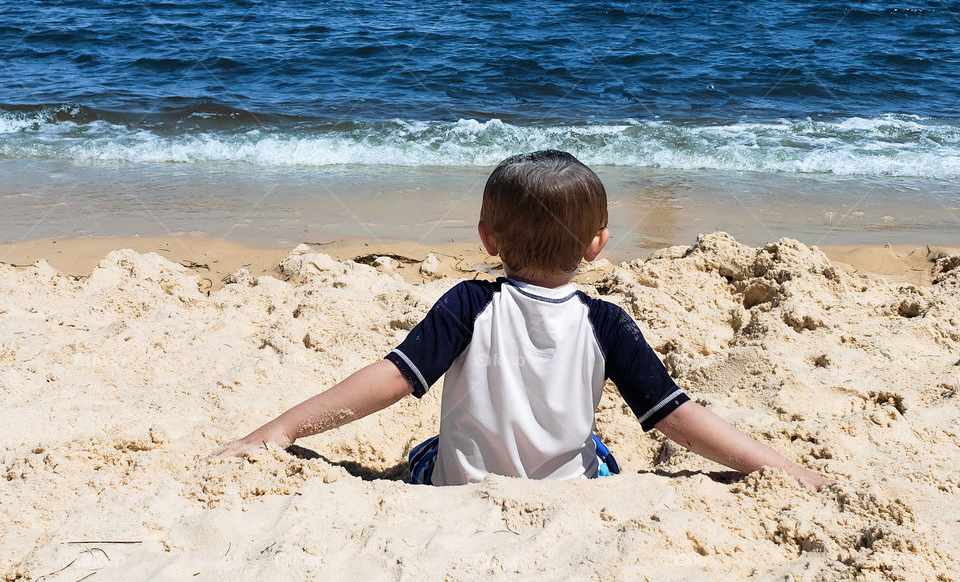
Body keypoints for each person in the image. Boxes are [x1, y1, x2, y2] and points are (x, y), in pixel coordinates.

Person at [214, 150, 831, 492]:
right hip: (572, 491)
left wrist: (282, 429)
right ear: (597, 244)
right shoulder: (607, 322)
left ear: (487, 237)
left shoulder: (467, 304)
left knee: (423, 449)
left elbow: (389, 380)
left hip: (462, 488)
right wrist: (781, 468)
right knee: (602, 452)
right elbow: (678, 419)